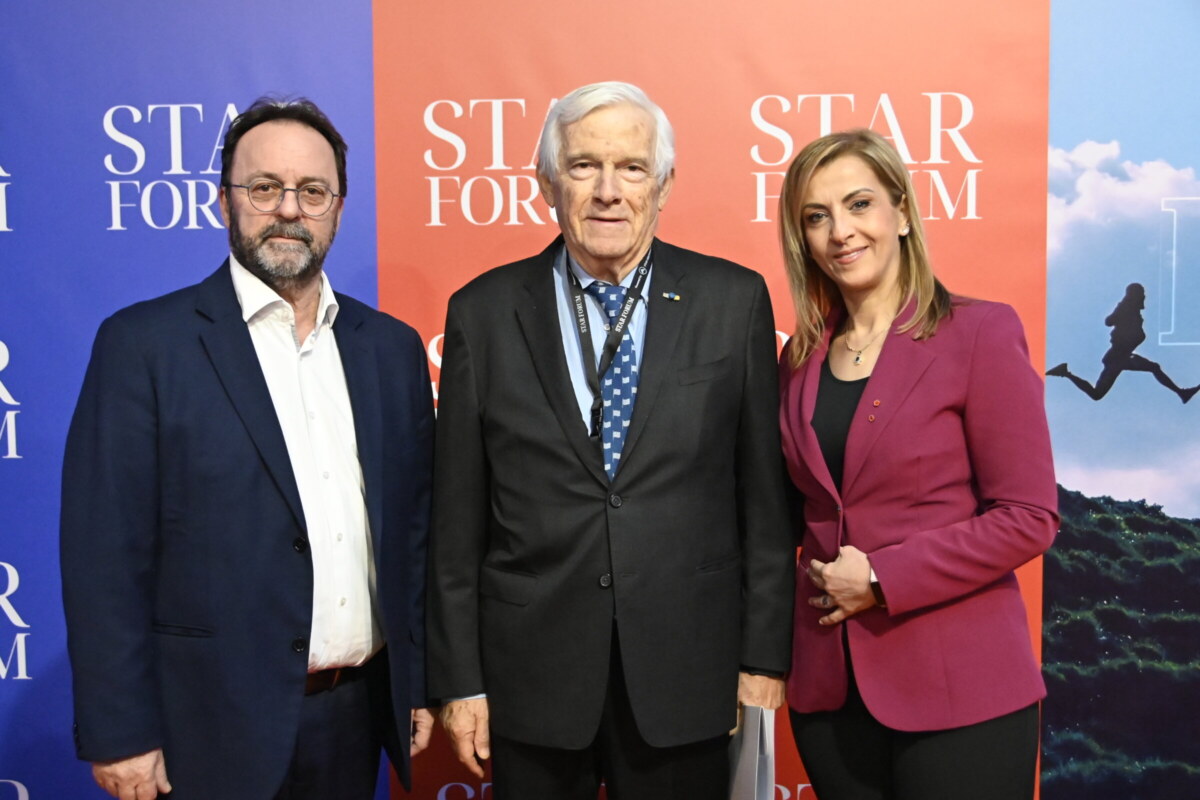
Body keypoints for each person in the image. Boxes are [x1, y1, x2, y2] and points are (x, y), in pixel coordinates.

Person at [427, 81, 795, 800]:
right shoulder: (483, 313)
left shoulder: (733, 301)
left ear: (663, 184)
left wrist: (762, 660)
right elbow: (455, 524)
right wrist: (460, 681)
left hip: (688, 671)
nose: (607, 191)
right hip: (531, 674)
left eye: (631, 167)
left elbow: (763, 503)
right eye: (583, 166)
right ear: (547, 183)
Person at [60, 97, 434, 800]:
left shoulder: (391, 350)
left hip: (355, 718)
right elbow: (103, 558)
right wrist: (119, 730)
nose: (289, 209)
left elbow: (411, 534)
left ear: (338, 210)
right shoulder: (144, 346)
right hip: (204, 727)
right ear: (223, 201)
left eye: (313, 191)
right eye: (265, 187)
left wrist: (413, 683)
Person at [775, 129, 1059, 800]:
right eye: (816, 216)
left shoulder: (980, 332)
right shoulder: (798, 360)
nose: (840, 232)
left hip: (961, 691)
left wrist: (881, 576)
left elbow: (1029, 516)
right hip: (831, 695)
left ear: (901, 212)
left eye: (859, 204)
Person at [1046, 282, 1198, 402]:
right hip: (1117, 357)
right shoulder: (1126, 308)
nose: (1144, 297)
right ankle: (1065, 373)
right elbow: (1109, 321)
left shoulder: (1133, 313)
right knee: (1098, 394)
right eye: (1141, 294)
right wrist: (1121, 312)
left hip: (1121, 357)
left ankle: (1065, 372)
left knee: (1098, 394)